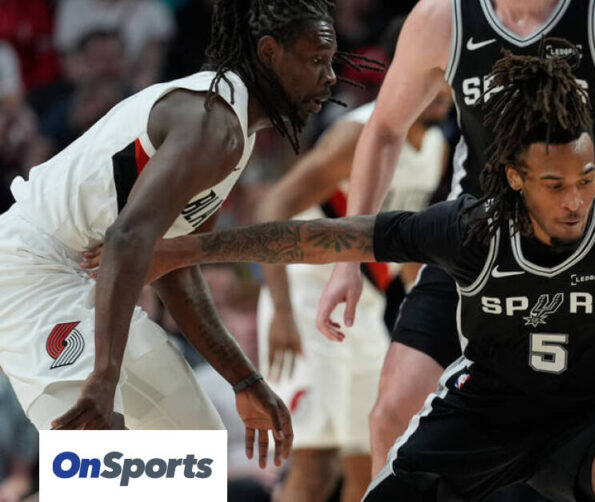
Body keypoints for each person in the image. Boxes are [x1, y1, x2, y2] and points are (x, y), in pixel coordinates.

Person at [122, 50, 595, 502]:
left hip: (592, 422)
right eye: (555, 184)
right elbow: (322, 235)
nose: (576, 199)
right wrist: (190, 250)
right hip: (480, 421)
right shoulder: (471, 226)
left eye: (585, 177)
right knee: (378, 443)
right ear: (514, 179)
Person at [314, 1, 595, 498]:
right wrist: (349, 258)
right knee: (394, 412)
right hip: (481, 248)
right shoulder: (441, 17)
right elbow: (384, 129)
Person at [0, 0, 347, 468]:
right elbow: (127, 238)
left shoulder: (232, 129)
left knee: (192, 455)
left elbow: (176, 265)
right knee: (94, 463)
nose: (330, 76)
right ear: (269, 52)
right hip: (32, 270)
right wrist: (105, 377)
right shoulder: (212, 122)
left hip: (86, 276)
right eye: (317, 59)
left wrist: (245, 379)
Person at [255, 41, 451, 502]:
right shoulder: (356, 136)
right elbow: (273, 206)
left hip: (365, 309)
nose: (443, 88)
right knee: (315, 464)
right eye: (434, 74)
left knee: (373, 460)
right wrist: (281, 309)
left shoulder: (438, 147)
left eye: (450, 76)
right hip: (306, 301)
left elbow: (404, 248)